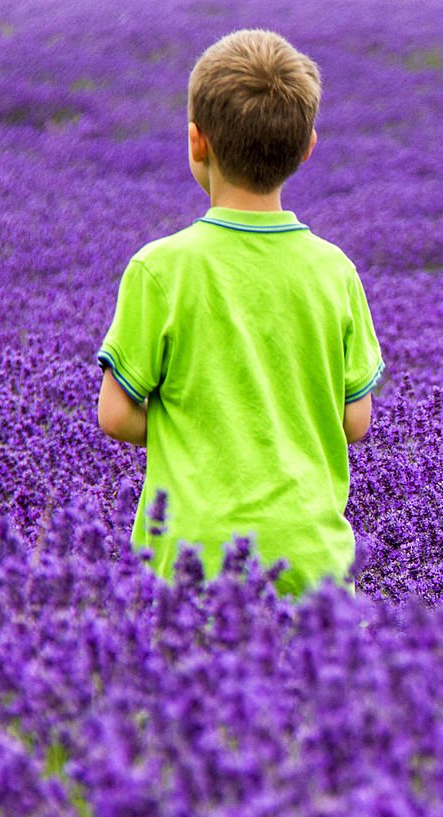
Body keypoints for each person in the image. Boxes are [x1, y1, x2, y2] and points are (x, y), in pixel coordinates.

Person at [95, 29, 384, 598]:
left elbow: (116, 414)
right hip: (309, 558)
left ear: (197, 142)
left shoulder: (160, 269)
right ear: (307, 148)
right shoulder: (335, 271)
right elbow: (355, 422)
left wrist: (201, 426)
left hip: (190, 558)